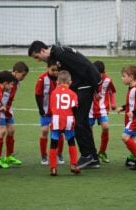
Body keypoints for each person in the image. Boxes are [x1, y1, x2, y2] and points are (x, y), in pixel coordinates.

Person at [28, 40, 101, 169]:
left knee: (78, 122)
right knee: (82, 122)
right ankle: (93, 157)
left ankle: (87, 155)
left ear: (42, 51)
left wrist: (96, 86)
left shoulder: (60, 54)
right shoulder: (58, 53)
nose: (38, 60)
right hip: (85, 85)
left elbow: (85, 66)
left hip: (85, 86)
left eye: (37, 57)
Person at [0, 62, 29, 169]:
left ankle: (9, 156)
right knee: (1, 131)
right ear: (16, 72)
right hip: (1, 107)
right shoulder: (7, 80)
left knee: (11, 130)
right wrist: (0, 106)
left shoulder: (16, 81)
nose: (24, 78)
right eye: (23, 75)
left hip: (8, 108)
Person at [49, 70, 80, 176]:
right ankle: (73, 164)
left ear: (57, 82)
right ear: (70, 82)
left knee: (53, 144)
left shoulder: (53, 93)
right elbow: (75, 108)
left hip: (56, 120)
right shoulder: (73, 94)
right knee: (71, 141)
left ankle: (53, 168)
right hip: (68, 120)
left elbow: (52, 108)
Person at [35, 62, 65, 165]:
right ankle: (43, 155)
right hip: (46, 111)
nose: (55, 72)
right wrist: (41, 109)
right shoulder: (42, 78)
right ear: (47, 68)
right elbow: (38, 94)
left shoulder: (61, 79)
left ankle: (59, 153)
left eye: (57, 70)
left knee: (60, 132)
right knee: (44, 131)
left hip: (58, 111)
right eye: (53, 70)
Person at [89, 60, 116, 163]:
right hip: (90, 109)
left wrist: (113, 103)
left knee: (106, 127)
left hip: (102, 108)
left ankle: (102, 152)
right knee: (88, 131)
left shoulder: (108, 80)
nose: (97, 76)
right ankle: (92, 152)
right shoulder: (88, 78)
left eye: (99, 74)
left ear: (104, 72)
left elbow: (111, 92)